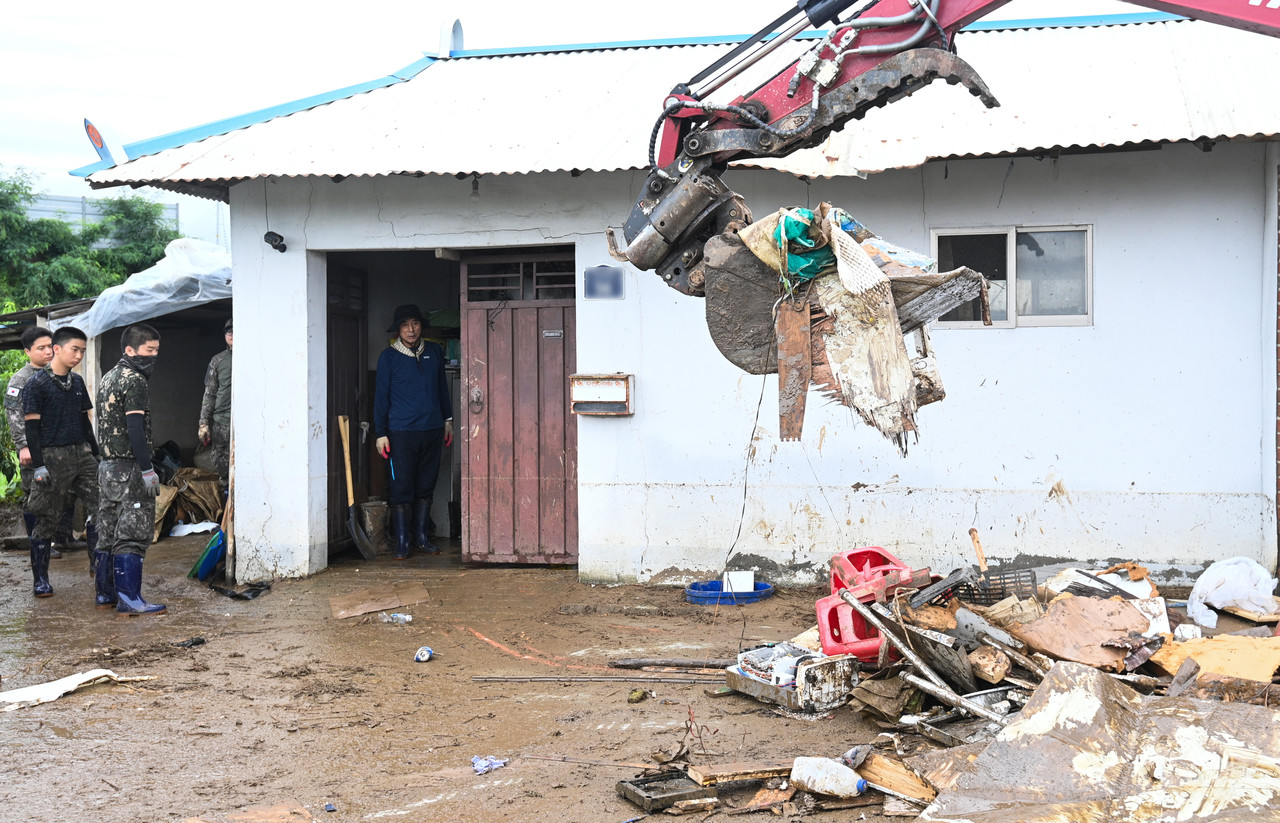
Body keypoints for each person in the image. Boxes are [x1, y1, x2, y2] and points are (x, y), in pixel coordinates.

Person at [22, 326, 99, 598]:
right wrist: (39, 465)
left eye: (82, 351)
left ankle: (98, 566)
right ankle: (40, 580)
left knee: (100, 507)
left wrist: (95, 452)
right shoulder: (37, 384)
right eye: (74, 349)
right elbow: (31, 429)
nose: (78, 355)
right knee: (46, 518)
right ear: (57, 349)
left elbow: (83, 420)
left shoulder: (76, 383)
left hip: (81, 454)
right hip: (52, 457)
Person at [96, 324, 166, 615]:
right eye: (149, 350)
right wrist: (148, 469)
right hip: (130, 469)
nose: (153, 356)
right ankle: (130, 599)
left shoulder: (108, 377)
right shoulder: (134, 380)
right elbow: (135, 428)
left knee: (108, 530)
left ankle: (105, 594)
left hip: (108, 468)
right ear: (130, 350)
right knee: (133, 532)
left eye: (156, 351)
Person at [374, 304, 453, 559]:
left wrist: (448, 420)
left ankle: (421, 537)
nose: (411, 329)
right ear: (398, 328)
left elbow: (442, 388)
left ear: (421, 326)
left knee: (426, 485)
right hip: (400, 432)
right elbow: (380, 398)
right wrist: (380, 432)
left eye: (415, 324)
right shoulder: (388, 357)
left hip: (431, 428)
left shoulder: (434, 351)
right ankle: (402, 541)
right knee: (402, 487)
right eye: (406, 325)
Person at [198, 317, 233, 483]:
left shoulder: (255, 357)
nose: (231, 334)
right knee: (222, 466)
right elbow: (210, 393)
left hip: (248, 422)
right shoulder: (218, 360)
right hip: (222, 422)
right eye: (228, 332)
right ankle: (224, 503)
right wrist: (203, 423)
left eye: (235, 330)